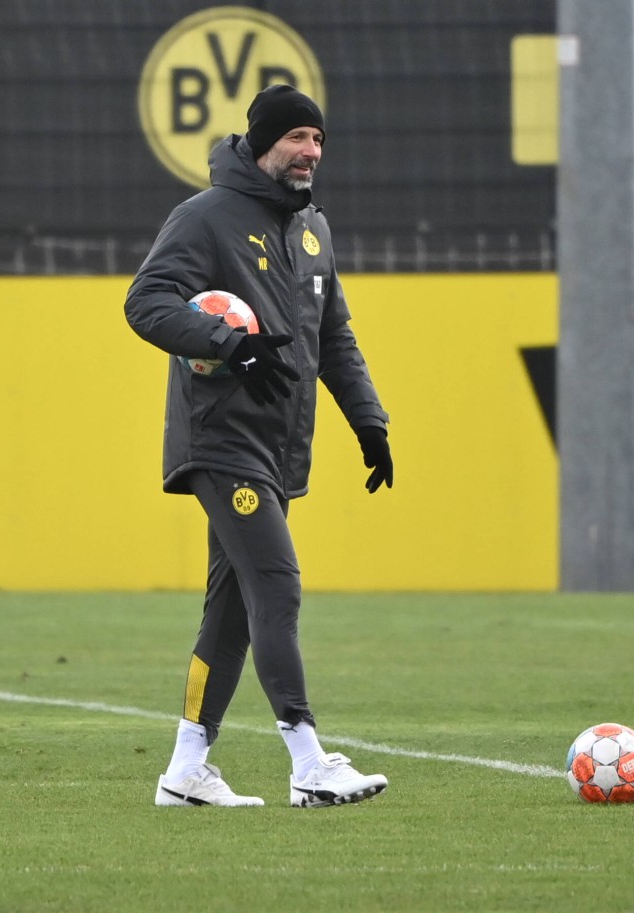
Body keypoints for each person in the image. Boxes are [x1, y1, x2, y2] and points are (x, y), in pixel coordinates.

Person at [124, 84, 395, 808]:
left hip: (279, 447)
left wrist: (369, 420)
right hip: (220, 440)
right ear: (263, 141)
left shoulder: (313, 230)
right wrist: (226, 342)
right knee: (277, 582)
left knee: (234, 607)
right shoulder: (205, 217)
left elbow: (332, 336)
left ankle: (185, 771)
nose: (312, 153)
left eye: (319, 141)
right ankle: (307, 759)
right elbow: (145, 303)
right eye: (299, 138)